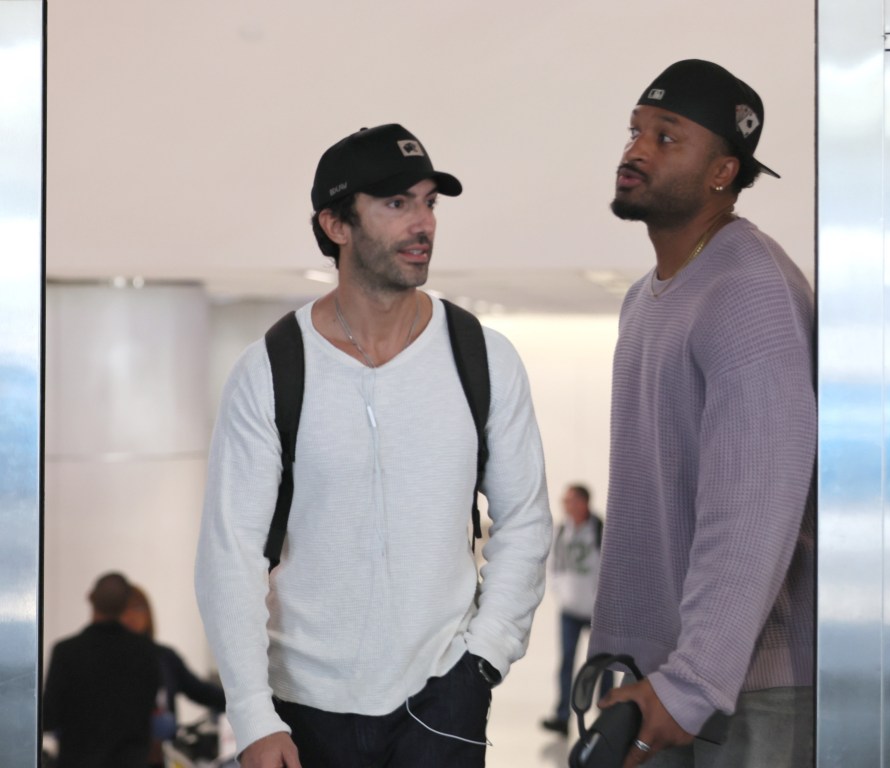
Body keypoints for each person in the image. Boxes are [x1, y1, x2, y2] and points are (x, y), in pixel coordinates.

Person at [194, 123, 552, 768]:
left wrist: (483, 662)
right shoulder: (271, 368)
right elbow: (231, 552)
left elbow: (524, 520)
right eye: (396, 204)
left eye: (429, 202)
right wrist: (250, 714)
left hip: (442, 700)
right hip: (301, 709)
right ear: (335, 224)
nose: (423, 224)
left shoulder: (483, 357)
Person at [589, 59, 817, 767]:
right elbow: (641, 506)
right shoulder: (644, 299)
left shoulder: (748, 289)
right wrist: (619, 659)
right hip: (670, 681)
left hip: (746, 689)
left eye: (666, 137)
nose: (635, 149)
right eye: (635, 130)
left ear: (723, 171)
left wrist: (689, 684)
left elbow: (751, 506)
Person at [42, 572, 161, 768]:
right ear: (125, 605)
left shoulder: (66, 652)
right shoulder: (146, 652)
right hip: (130, 762)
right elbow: (149, 705)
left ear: (90, 597)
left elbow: (50, 716)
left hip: (77, 762)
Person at [121, 584, 227, 767]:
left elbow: (200, 691)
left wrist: (245, 700)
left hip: (160, 758)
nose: (131, 616)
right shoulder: (102, 662)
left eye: (138, 608)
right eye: (124, 609)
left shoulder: (164, 657)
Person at [540, 483, 611, 736]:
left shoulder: (600, 529)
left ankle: (606, 716)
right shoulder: (561, 531)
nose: (566, 505)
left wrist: (599, 599)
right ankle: (562, 716)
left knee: (602, 664)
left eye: (570, 500)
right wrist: (561, 594)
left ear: (583, 502)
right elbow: (554, 566)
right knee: (566, 662)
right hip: (570, 611)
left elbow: (609, 567)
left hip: (597, 612)